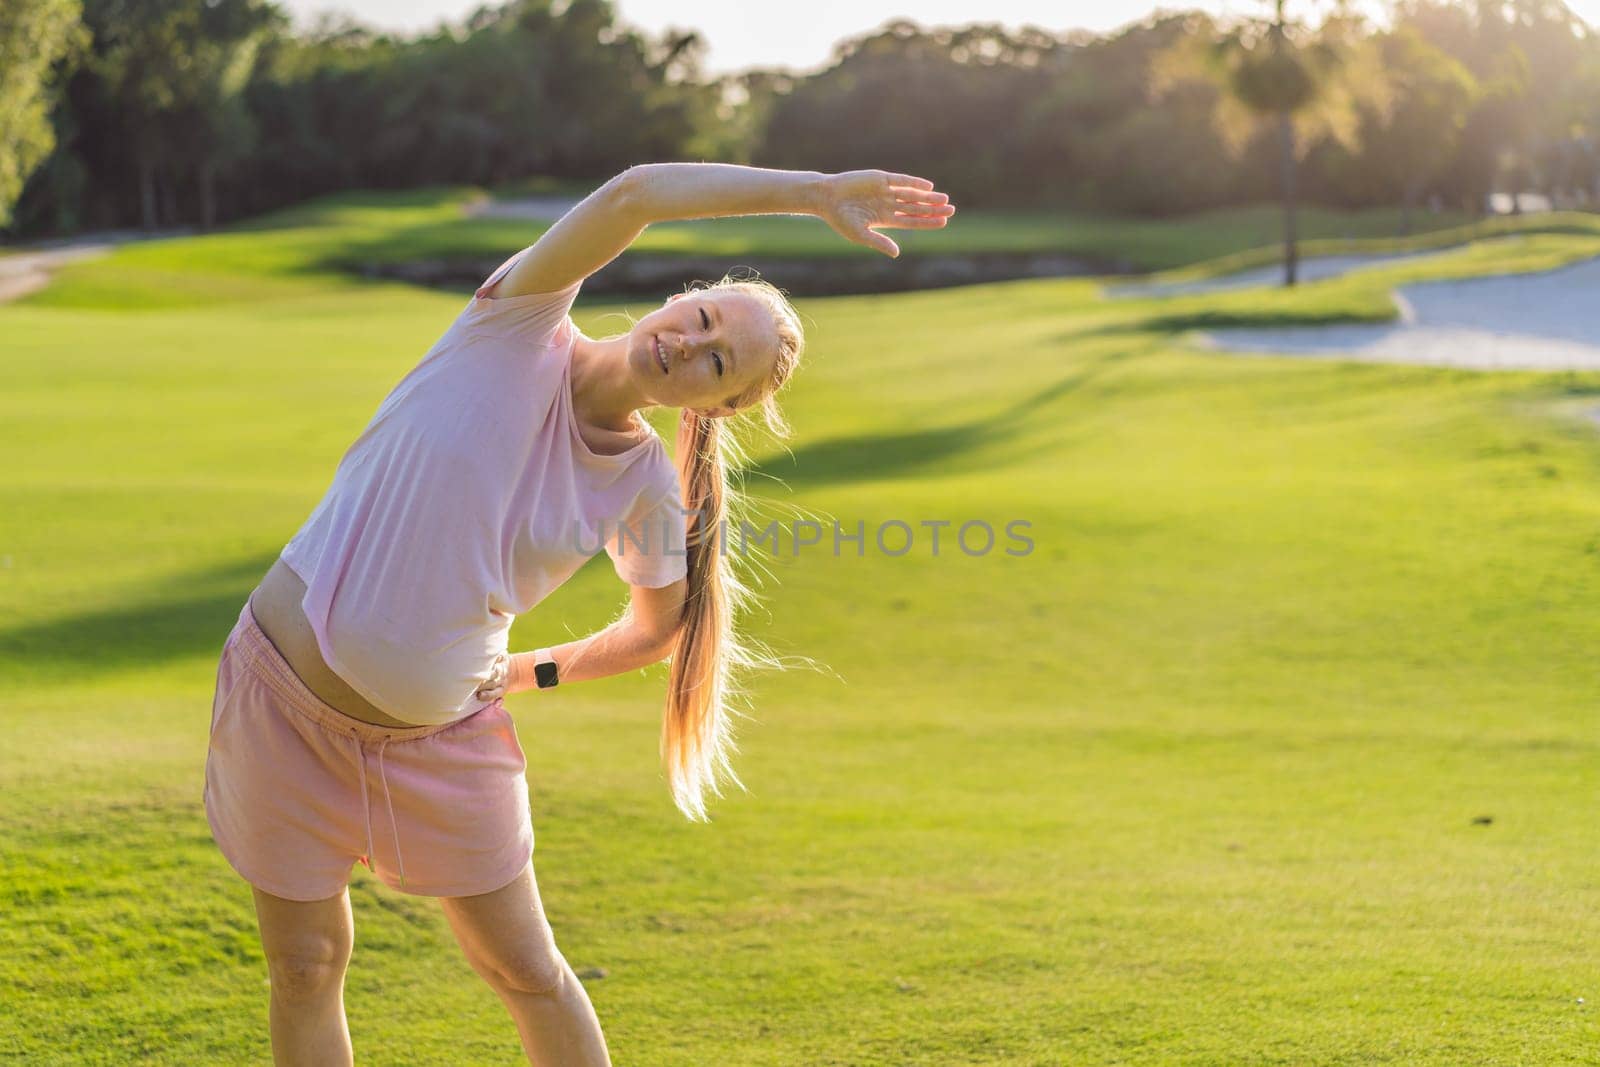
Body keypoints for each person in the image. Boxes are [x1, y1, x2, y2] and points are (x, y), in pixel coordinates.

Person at [202, 161, 954, 1066]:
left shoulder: (643, 490)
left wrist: (529, 670)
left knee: (527, 972)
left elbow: (657, 629)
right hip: (279, 704)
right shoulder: (518, 322)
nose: (691, 346)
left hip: (440, 745)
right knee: (305, 965)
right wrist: (812, 193)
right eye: (704, 320)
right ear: (682, 299)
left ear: (715, 405)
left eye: (718, 364)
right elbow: (631, 195)